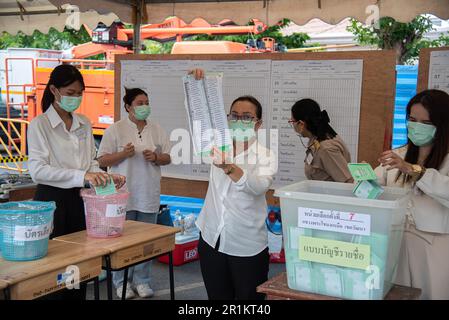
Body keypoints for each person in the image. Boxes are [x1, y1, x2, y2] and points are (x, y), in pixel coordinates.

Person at [28, 64, 125, 300]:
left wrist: (104, 176)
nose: (76, 98)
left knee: (79, 265)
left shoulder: (83, 122)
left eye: (79, 93)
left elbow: (90, 162)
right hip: (51, 201)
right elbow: (37, 170)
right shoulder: (39, 124)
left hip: (81, 201)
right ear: (54, 90)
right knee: (53, 269)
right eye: (70, 93)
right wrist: (83, 176)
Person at [189, 69, 277, 300]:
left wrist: (228, 167)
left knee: (249, 301)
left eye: (247, 117)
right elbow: (200, 114)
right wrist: (195, 85)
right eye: (234, 116)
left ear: (258, 123)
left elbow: (257, 187)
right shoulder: (217, 145)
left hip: (246, 245)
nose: (239, 121)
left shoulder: (266, 155)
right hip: (211, 238)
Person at [98, 87, 172, 299]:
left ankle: (142, 281)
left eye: (146, 102)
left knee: (145, 241)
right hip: (122, 195)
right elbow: (102, 161)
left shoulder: (156, 129)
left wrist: (156, 157)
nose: (144, 106)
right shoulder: (116, 129)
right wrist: (123, 154)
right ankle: (121, 283)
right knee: (121, 241)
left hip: (148, 193)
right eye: (140, 103)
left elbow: (168, 157)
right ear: (128, 106)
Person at [375, 89, 449, 300]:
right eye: (412, 120)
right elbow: (374, 186)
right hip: (395, 244)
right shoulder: (398, 155)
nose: (417, 127)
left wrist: (414, 170)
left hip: (435, 248)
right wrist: (363, 181)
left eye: (426, 123)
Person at [289, 98, 353, 183]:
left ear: (301, 124)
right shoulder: (316, 139)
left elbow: (347, 182)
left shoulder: (326, 148)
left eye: (292, 121)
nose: (292, 125)